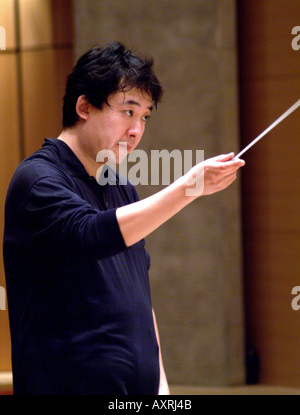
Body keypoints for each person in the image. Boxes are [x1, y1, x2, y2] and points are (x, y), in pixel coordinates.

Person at [3, 42, 245, 395]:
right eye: (128, 111)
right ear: (84, 106)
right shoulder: (37, 180)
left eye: (145, 116)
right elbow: (89, 234)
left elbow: (138, 291)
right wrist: (188, 188)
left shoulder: (120, 187)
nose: (136, 130)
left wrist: (160, 384)